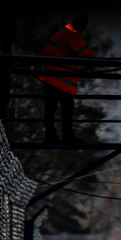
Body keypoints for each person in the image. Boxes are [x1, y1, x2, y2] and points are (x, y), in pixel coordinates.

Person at [37, 14, 95, 145]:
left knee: (51, 107)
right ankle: (67, 135)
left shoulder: (64, 32)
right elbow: (84, 54)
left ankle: (50, 135)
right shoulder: (72, 34)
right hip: (58, 77)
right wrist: (95, 57)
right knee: (67, 105)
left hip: (50, 74)